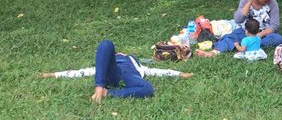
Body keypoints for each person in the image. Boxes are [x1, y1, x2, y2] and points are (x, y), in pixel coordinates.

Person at [40, 40, 194, 103]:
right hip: (111, 74)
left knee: (148, 89)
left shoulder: (137, 64)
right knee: (106, 43)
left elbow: (157, 71)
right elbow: (81, 72)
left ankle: (107, 93)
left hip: (131, 77)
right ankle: (99, 87)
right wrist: (53, 74)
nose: (121, 53)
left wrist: (179, 74)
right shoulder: (106, 63)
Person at [196, 0, 282, 57]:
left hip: (264, 33)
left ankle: (244, 45)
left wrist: (259, 35)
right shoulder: (245, 0)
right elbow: (238, 20)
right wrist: (249, 2)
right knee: (228, 38)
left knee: (278, 39)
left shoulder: (272, 3)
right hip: (245, 32)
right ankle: (212, 53)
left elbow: (275, 25)